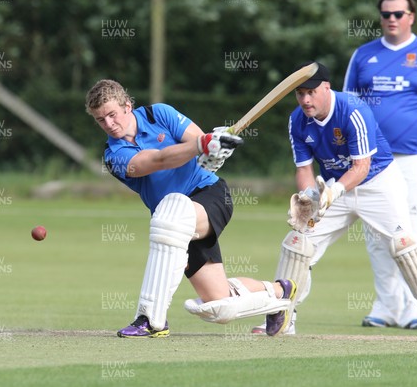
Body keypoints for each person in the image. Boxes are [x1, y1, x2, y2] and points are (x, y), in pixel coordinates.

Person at [85, 79, 296, 338]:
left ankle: (150, 319)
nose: (108, 124)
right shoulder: (113, 154)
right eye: (100, 120)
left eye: (111, 114)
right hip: (174, 220)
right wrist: (202, 146)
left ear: (127, 106)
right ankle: (278, 294)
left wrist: (212, 148)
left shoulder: (158, 113)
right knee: (219, 305)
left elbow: (198, 138)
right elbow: (157, 160)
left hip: (209, 195)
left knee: (171, 217)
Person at [252, 62, 417, 336]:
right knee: (297, 243)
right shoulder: (297, 120)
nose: (306, 100)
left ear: (326, 87)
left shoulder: (352, 110)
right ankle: (281, 318)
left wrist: (333, 193)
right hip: (333, 187)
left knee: (403, 245)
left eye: (311, 92)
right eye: (300, 94)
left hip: (378, 183)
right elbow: (304, 169)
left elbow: (362, 167)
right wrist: (309, 198)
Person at [342, 0, 417, 329]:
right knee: (377, 235)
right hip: (371, 160)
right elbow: (347, 109)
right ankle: (388, 307)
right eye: (386, 14)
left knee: (408, 232)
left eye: (398, 13)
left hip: (413, 157)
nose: (392, 19)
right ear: (380, 17)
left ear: (411, 16)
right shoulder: (363, 56)